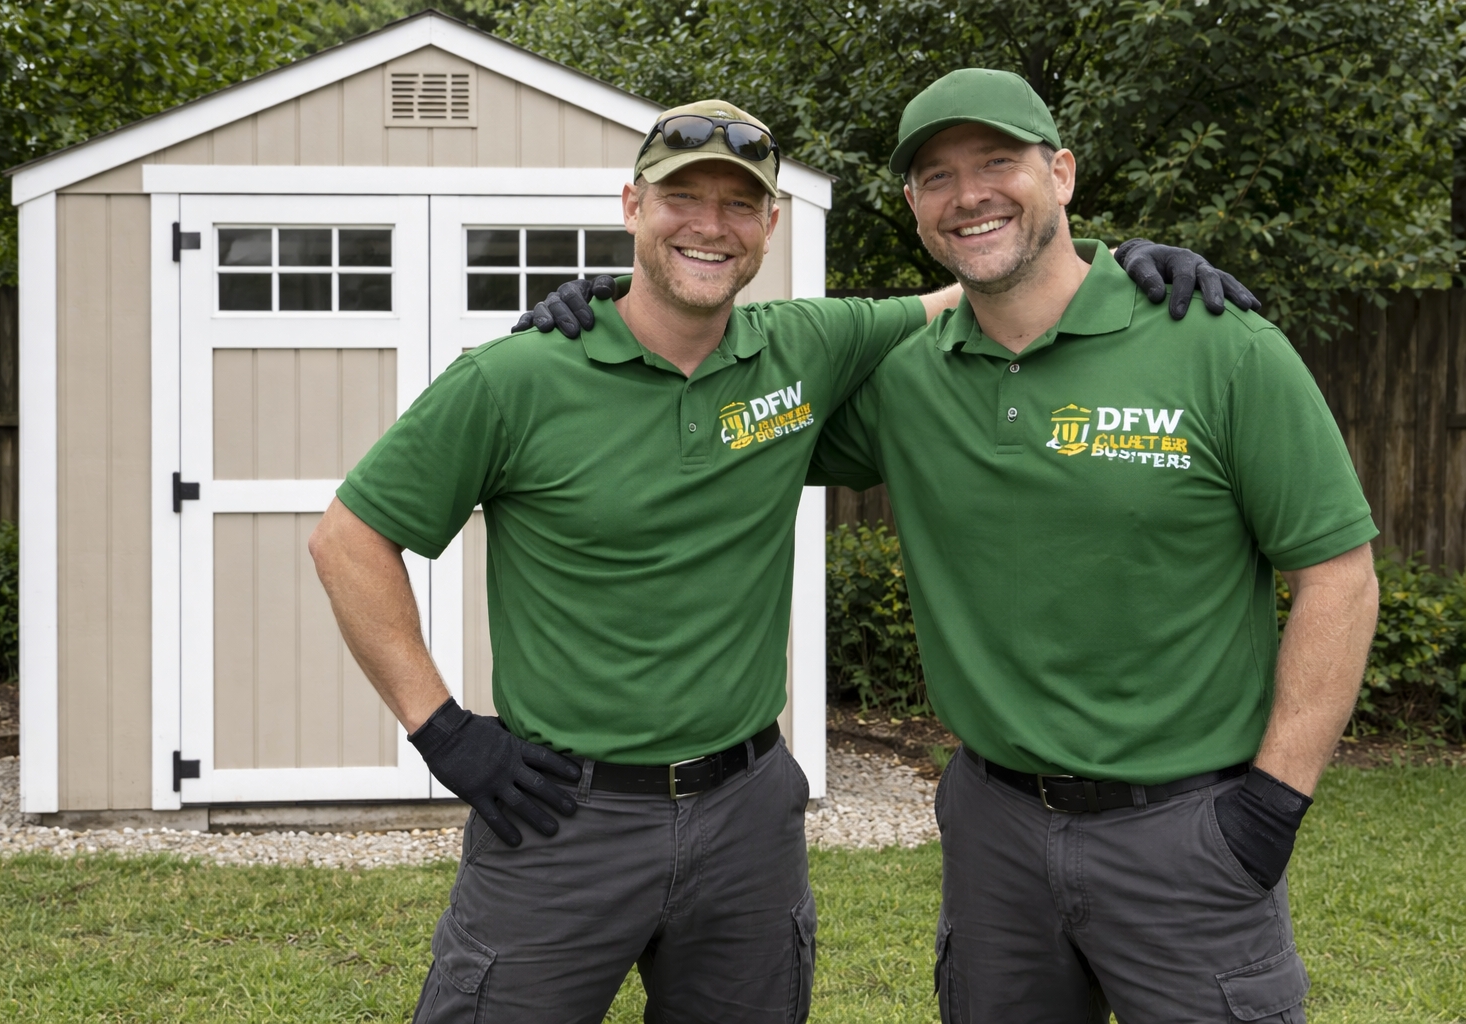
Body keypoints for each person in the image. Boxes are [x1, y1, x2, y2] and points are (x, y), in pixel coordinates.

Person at [308, 98, 1249, 1024]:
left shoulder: (805, 349)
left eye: (739, 205)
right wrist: (444, 732)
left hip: (747, 818)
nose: (709, 227)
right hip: (562, 817)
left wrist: (1120, 264)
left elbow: (989, 279)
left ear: (767, 227)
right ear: (633, 207)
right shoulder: (514, 378)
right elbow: (349, 538)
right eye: (682, 198)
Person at [805, 69, 1381, 1023]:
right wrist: (611, 314)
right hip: (993, 835)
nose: (970, 193)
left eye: (997, 160)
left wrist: (1272, 807)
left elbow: (1338, 575)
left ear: (1061, 173)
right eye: (936, 176)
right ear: (913, 207)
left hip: (1189, 832)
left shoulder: (1219, 344)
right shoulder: (906, 383)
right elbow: (729, 408)